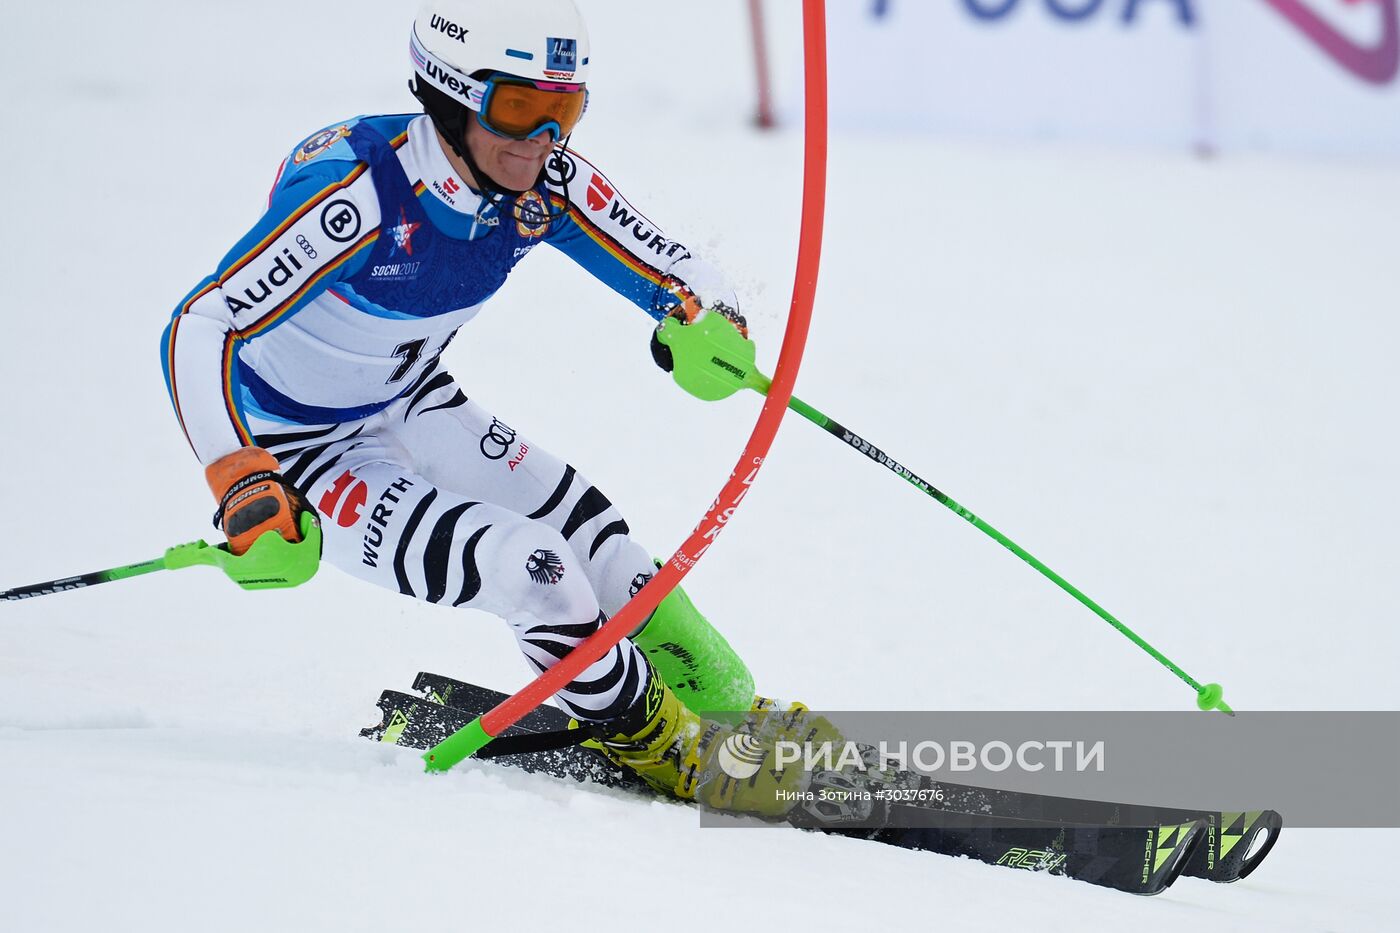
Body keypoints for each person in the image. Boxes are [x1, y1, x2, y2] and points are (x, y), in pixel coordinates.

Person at [160, 0, 818, 816]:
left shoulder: (544, 182)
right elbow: (201, 323)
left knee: (602, 546)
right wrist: (239, 478)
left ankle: (728, 705)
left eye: (563, 111)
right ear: (450, 91)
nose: (541, 140)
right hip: (303, 452)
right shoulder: (359, 196)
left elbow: (680, 272)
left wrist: (706, 322)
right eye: (517, 108)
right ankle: (666, 746)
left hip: (410, 399)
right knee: (539, 574)